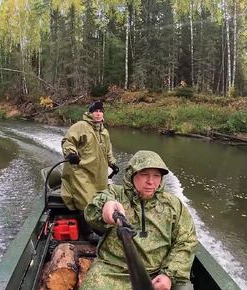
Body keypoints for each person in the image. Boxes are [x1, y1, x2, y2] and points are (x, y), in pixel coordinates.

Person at [81, 150, 197, 290]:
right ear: (132, 174)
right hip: (113, 269)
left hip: (158, 273)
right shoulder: (115, 193)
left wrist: (168, 274)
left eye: (156, 176)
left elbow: (186, 241)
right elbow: (94, 208)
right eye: (144, 175)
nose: (150, 182)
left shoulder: (173, 205)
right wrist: (106, 209)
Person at [61, 100, 118, 242]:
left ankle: (97, 225)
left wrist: (113, 163)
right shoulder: (81, 126)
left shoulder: (104, 131)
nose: (98, 114)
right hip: (80, 171)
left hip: (98, 172)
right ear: (90, 113)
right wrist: (71, 154)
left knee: (100, 198)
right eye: (95, 111)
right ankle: (87, 232)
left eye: (100, 111)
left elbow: (108, 150)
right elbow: (68, 141)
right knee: (85, 200)